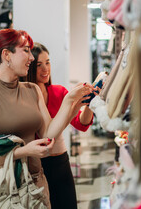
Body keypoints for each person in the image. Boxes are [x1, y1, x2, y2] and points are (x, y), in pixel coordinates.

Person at [0, 29, 94, 208]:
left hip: (37, 184)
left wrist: (70, 102)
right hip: (7, 188)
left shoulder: (32, 90)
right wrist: (23, 152)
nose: (31, 58)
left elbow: (48, 134)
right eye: (26, 50)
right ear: (7, 55)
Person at [24, 42, 95, 209]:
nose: (45, 69)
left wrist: (90, 104)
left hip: (59, 162)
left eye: (48, 62)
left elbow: (82, 124)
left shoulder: (59, 92)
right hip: (34, 165)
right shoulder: (25, 96)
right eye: (39, 65)